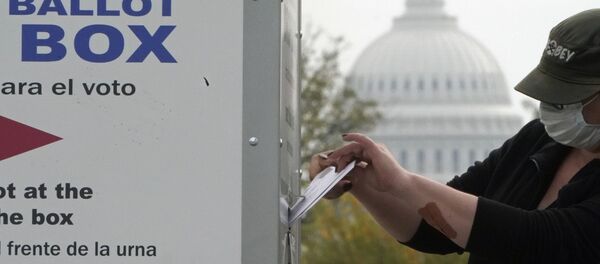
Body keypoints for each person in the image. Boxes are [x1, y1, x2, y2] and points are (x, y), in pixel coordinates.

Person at [309, 9, 600, 264]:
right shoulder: (538, 140)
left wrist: (404, 182)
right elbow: (437, 228)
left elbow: (536, 240)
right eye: (549, 93)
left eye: (568, 96)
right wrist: (356, 178)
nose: (551, 106)